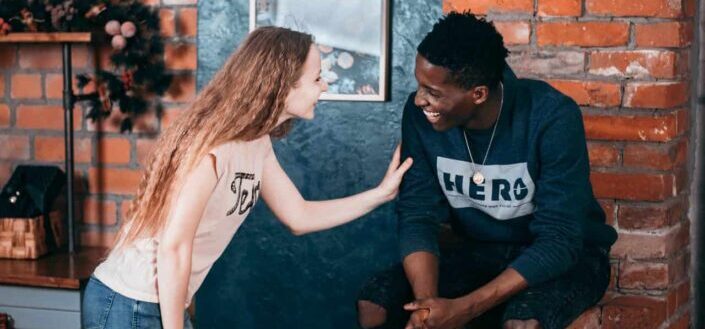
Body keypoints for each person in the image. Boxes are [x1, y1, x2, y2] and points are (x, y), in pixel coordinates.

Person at [81, 26, 413, 329]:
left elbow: (298, 215)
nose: (324, 85)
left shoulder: (256, 142)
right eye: (316, 79)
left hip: (160, 301)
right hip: (130, 303)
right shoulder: (215, 148)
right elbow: (174, 246)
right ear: (283, 85)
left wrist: (381, 194)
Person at [357, 11, 617, 329]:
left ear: (478, 94)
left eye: (434, 92)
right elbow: (417, 214)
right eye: (420, 85)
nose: (420, 100)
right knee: (374, 304)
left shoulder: (552, 116)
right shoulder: (420, 117)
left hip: (569, 258)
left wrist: (464, 309)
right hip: (479, 250)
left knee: (521, 323)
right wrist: (428, 308)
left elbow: (560, 240)